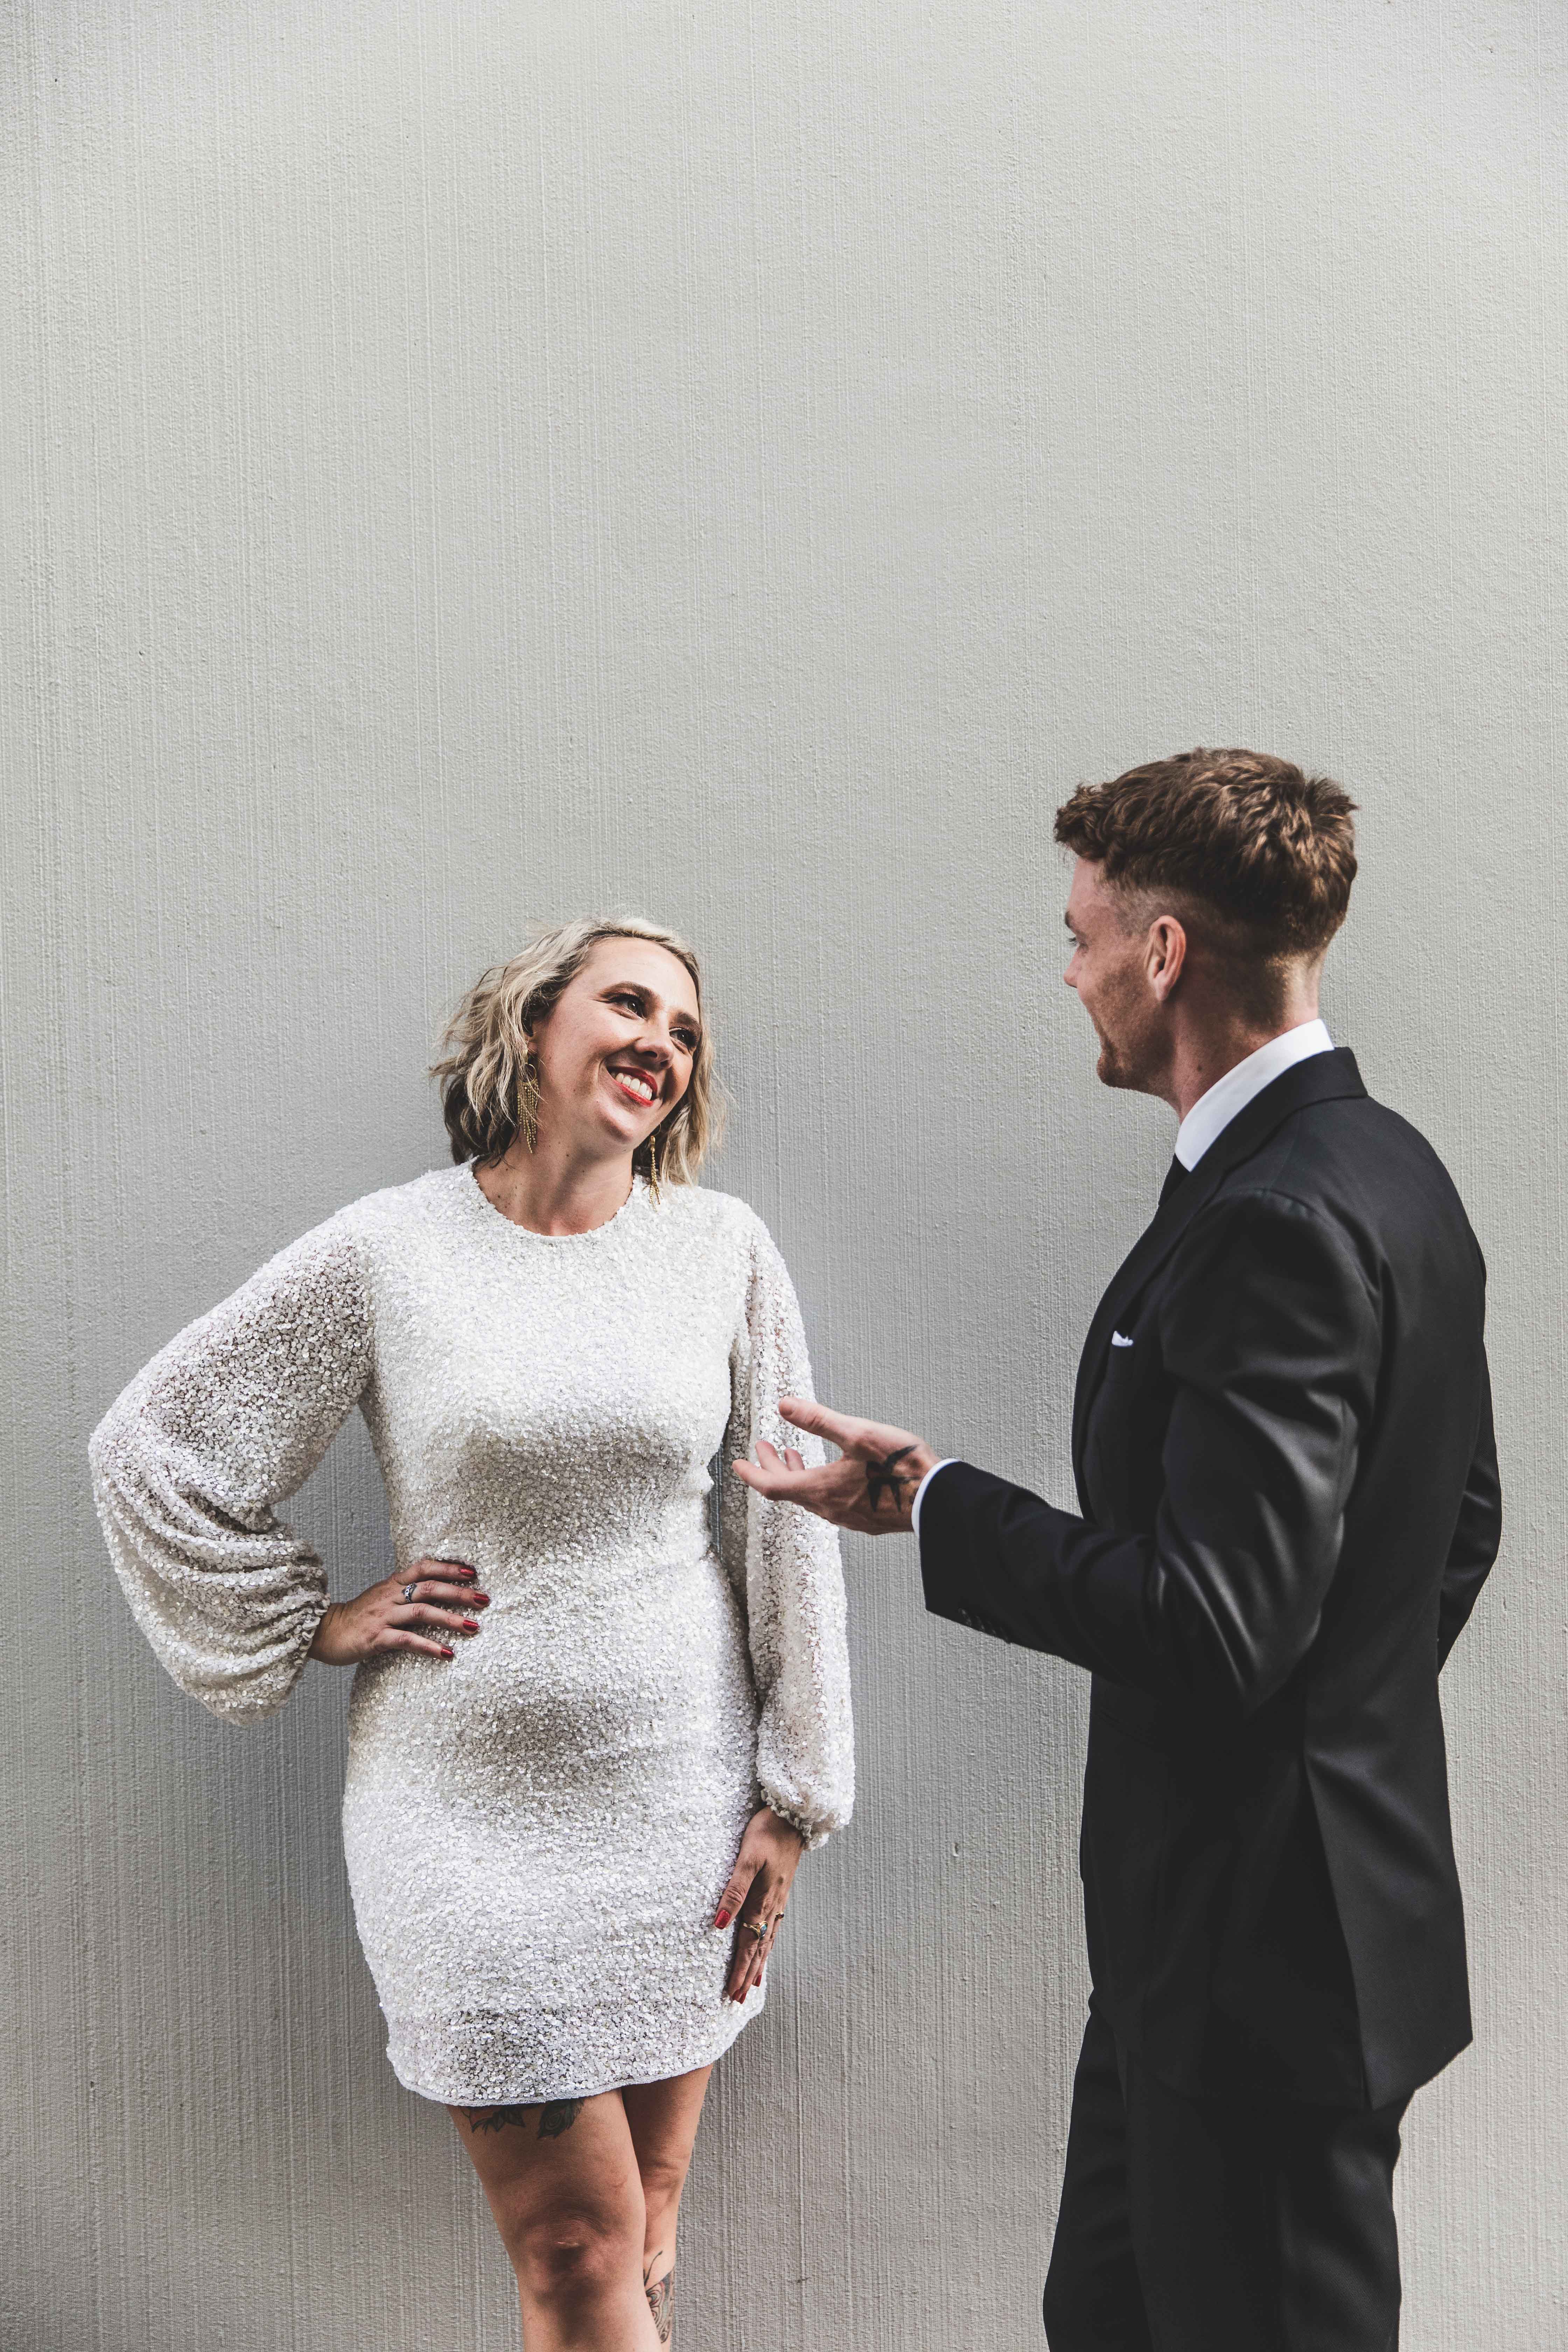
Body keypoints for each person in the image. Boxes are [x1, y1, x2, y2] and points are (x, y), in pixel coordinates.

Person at [735, 750, 1501, 2351]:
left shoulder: (1278, 1217)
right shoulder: (1384, 1168)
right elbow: (1458, 1524)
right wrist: (1323, 1727)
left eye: (1081, 938)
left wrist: (937, 1502)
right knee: (1105, 2315)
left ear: (1163, 954)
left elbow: (1217, 1623)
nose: (1068, 973)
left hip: (1259, 1978)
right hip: (1214, 1949)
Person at [90, 915, 854, 2352]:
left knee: (649, 2226)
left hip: (678, 1807)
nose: (661, 1044)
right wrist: (310, 1624)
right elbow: (155, 1446)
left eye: (686, 1032)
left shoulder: (720, 1249)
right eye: (629, 1005)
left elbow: (786, 1527)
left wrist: (796, 1796)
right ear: (534, 1024)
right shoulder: (393, 1250)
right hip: (461, 1823)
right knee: (575, 2246)